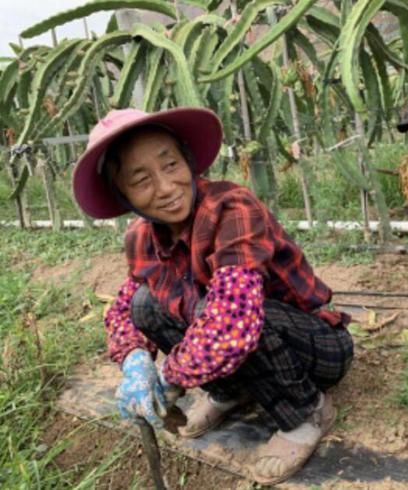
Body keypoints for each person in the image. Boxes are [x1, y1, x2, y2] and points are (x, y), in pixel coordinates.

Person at [72, 107, 353, 485]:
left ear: (188, 161)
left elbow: (234, 321)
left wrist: (170, 378)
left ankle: (306, 412)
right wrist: (134, 359)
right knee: (145, 304)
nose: (166, 187)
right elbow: (125, 307)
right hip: (241, 347)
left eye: (170, 165)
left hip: (314, 346)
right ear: (123, 194)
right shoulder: (141, 238)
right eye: (141, 180)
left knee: (228, 310)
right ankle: (228, 390)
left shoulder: (231, 207)